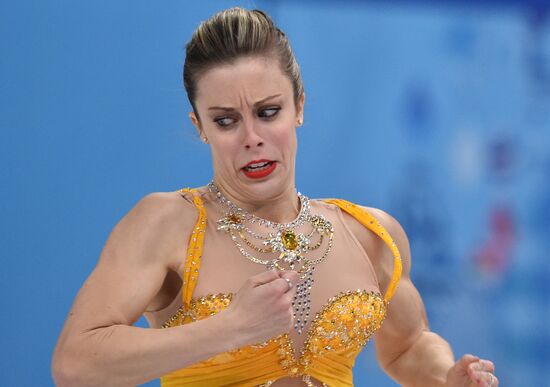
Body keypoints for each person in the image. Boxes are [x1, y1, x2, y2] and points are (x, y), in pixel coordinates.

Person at [52, 7, 499, 387]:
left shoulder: (369, 234)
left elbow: (407, 345)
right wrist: (229, 328)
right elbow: (75, 362)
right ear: (199, 127)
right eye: (226, 121)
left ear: (299, 106)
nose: (252, 138)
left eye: (268, 113)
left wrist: (446, 376)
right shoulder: (167, 224)